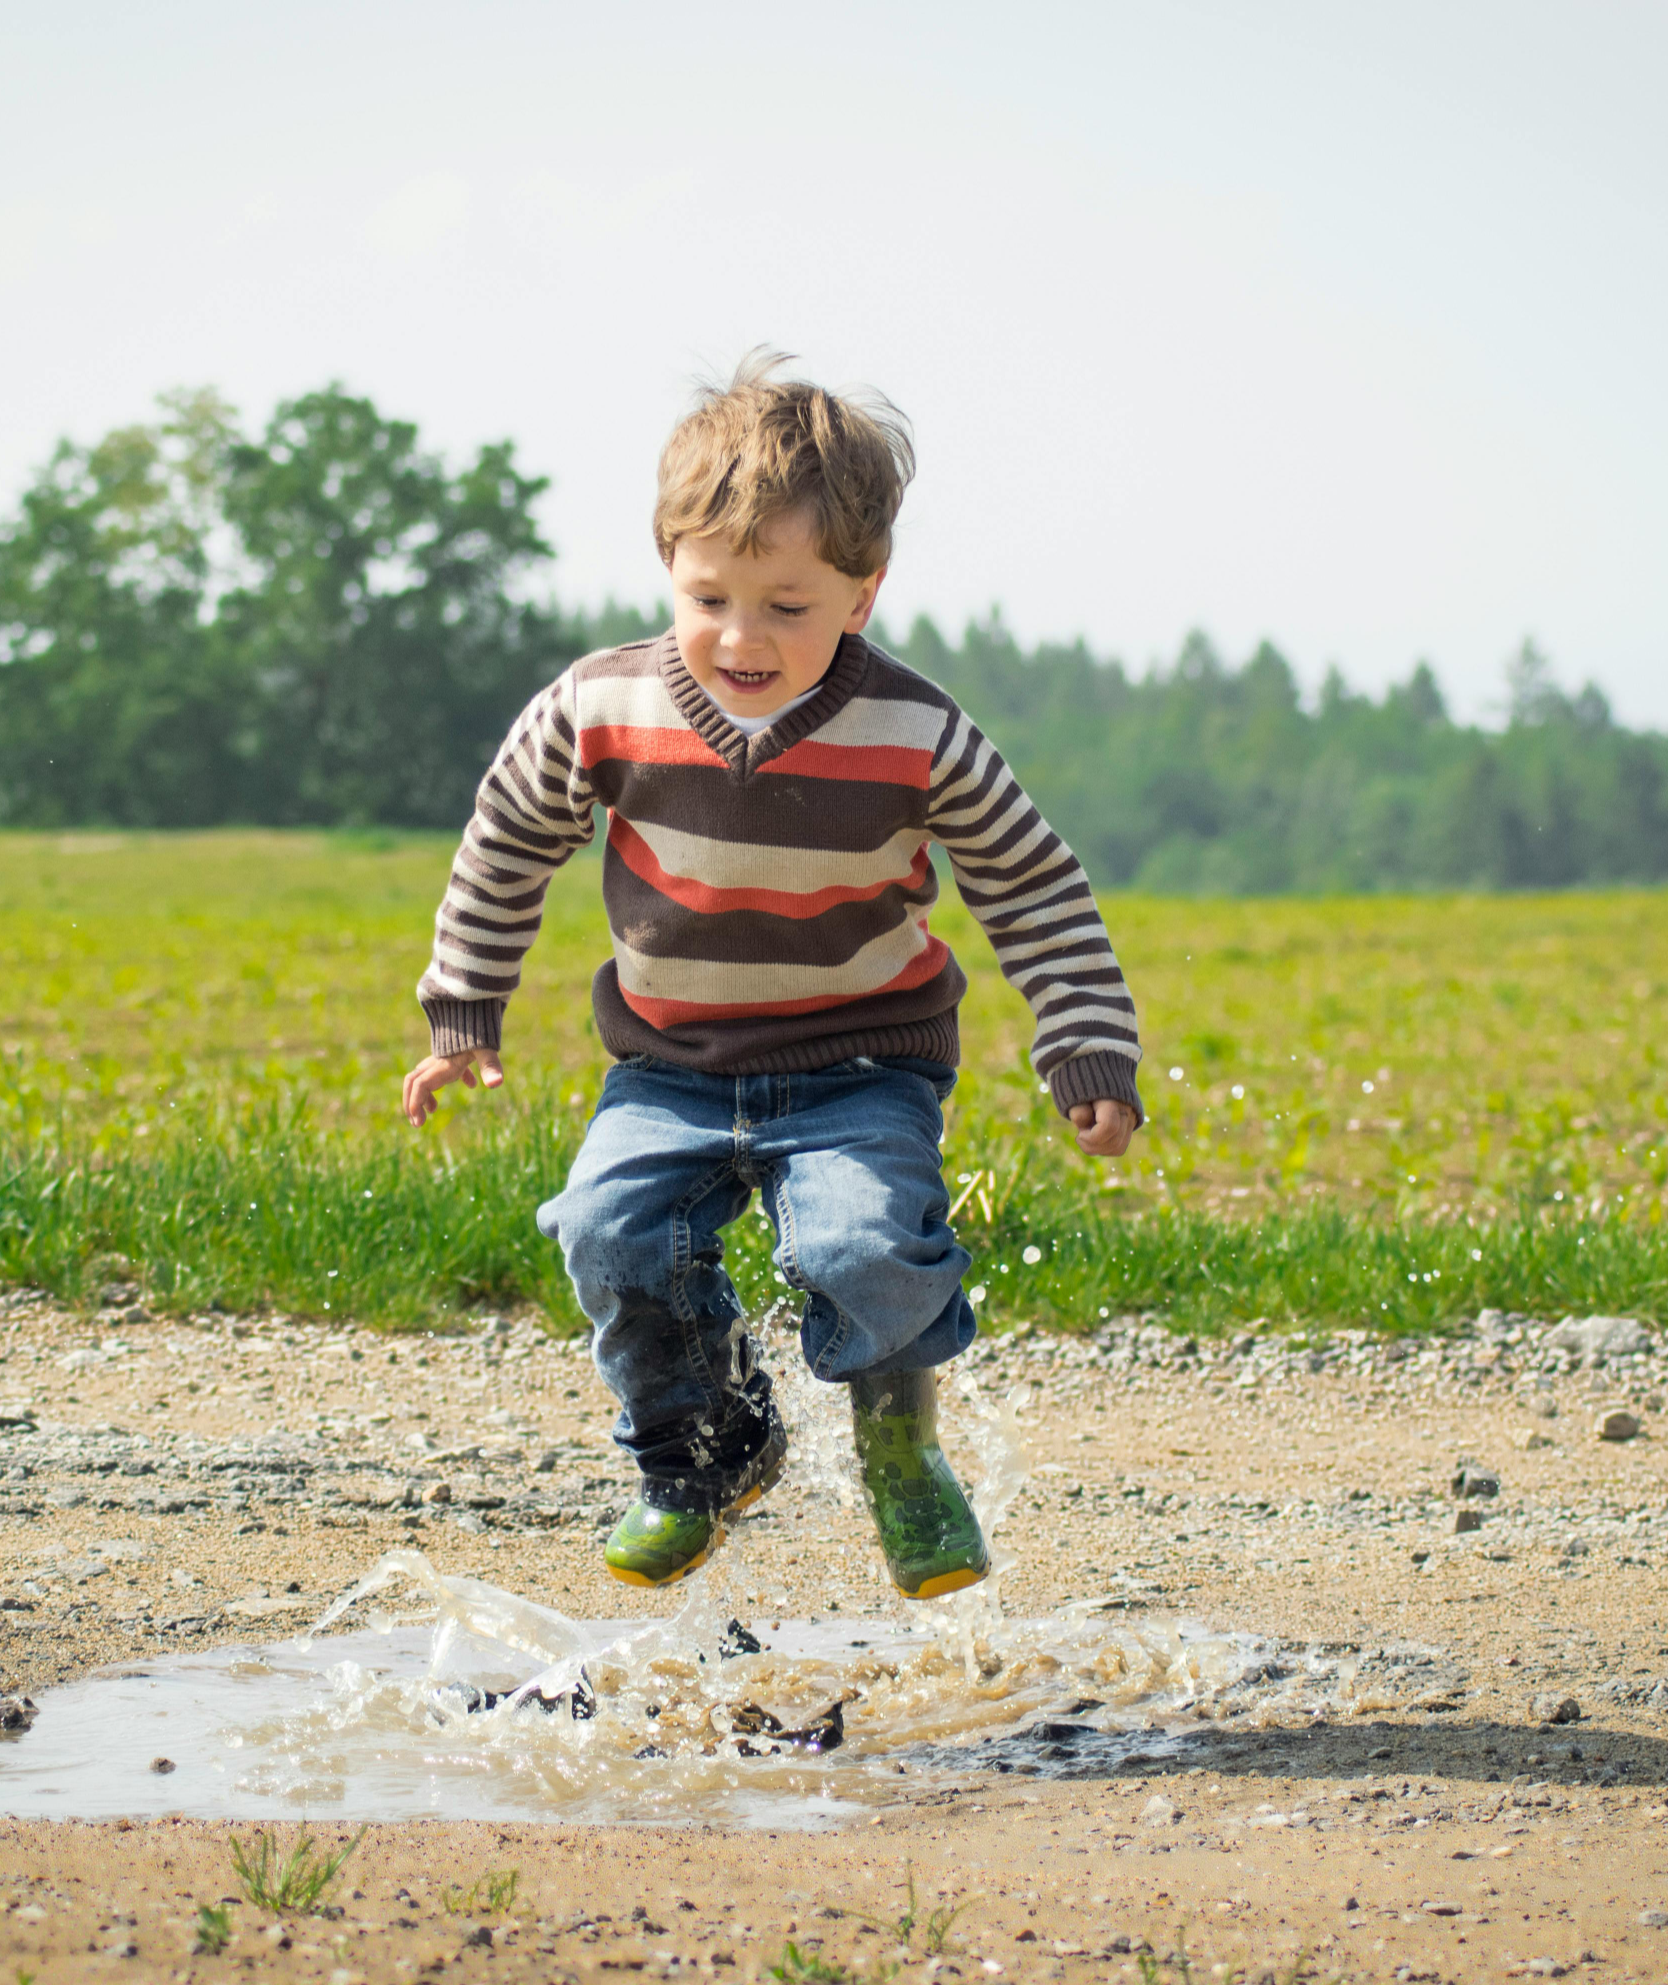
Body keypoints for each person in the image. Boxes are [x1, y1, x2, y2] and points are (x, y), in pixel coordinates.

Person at [402, 352, 1143, 1599]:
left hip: (863, 1065)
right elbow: (507, 838)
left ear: (863, 592)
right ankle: (706, 1450)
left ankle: (901, 1441)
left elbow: (1032, 884)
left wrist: (1085, 1044)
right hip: (668, 1066)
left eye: (787, 606)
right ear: (670, 568)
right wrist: (462, 1005)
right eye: (711, 597)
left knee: (862, 1249)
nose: (742, 637)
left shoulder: (919, 734)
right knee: (607, 1231)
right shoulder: (601, 704)